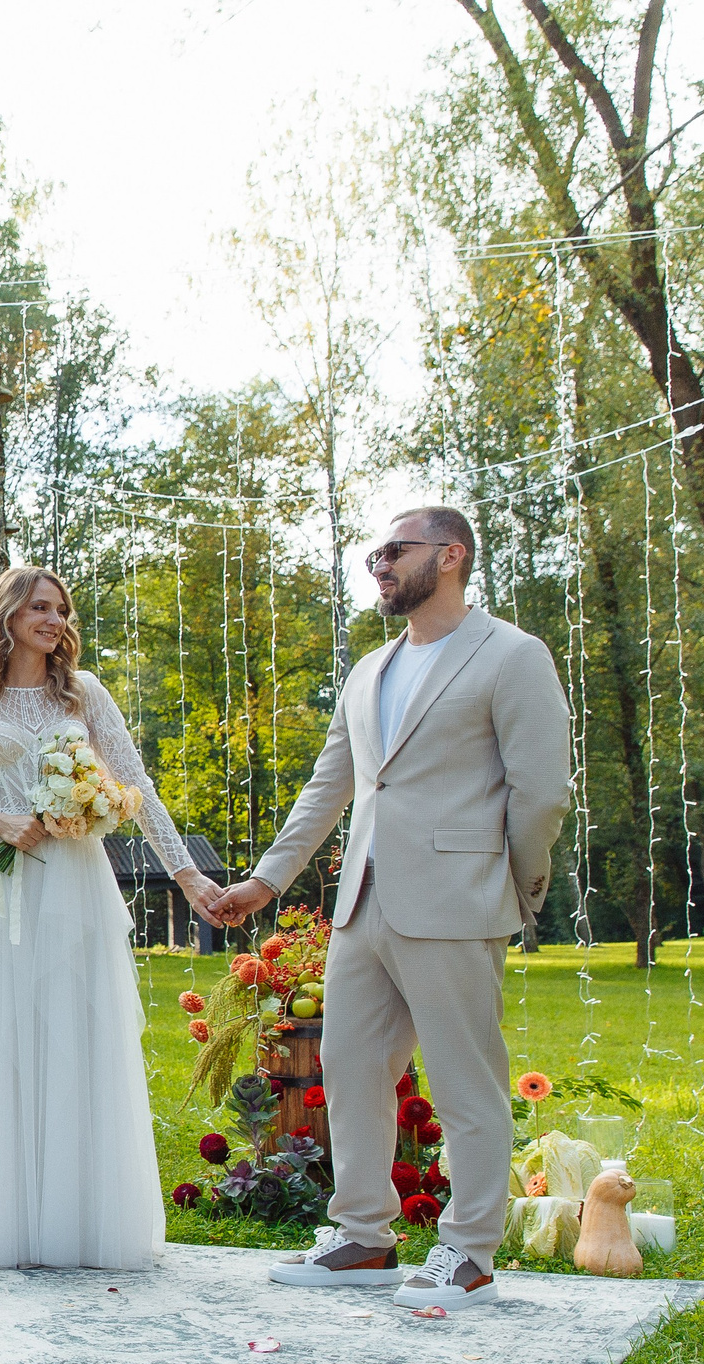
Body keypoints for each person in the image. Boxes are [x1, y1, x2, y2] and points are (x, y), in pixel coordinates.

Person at [210, 507, 569, 1311]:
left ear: (451, 556)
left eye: (395, 550)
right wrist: (266, 881)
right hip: (363, 903)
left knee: (465, 1080)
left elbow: (541, 791)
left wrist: (510, 884)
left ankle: (469, 1253)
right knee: (350, 1067)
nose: (379, 563)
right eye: (375, 553)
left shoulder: (512, 655)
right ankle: (363, 1234)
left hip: (459, 900)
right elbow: (329, 786)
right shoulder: (369, 669)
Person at [0, 566, 223, 1270]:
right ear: (8, 612)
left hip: (75, 886)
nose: (55, 619)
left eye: (62, 609)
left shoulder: (82, 694)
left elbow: (135, 786)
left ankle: (75, 1218)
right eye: (40, 606)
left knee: (71, 1036)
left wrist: (185, 873)